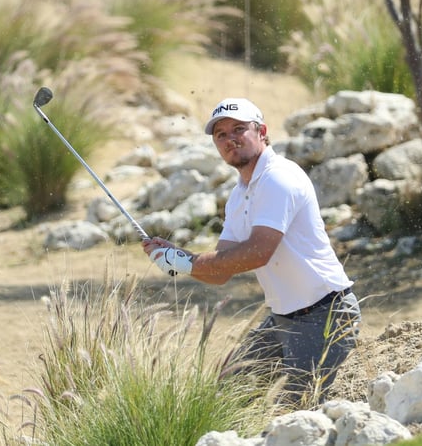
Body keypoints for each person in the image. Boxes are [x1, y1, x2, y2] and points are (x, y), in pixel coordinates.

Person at [142, 97, 361, 405]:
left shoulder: (278, 177)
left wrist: (188, 262)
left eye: (239, 129)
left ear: (262, 132)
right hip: (283, 319)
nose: (230, 138)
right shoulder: (239, 194)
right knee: (228, 396)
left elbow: (259, 252)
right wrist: (176, 260)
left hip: (325, 315)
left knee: (300, 413)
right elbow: (221, 273)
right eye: (221, 134)